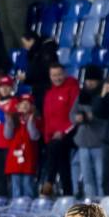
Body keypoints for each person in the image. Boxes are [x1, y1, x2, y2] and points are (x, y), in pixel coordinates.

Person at [41, 63, 80, 197]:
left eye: (59, 74)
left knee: (57, 148)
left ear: (64, 74)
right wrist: (47, 137)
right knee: (62, 161)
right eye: (54, 75)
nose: (57, 78)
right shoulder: (49, 94)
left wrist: (63, 132)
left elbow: (74, 114)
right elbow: (47, 118)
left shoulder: (72, 89)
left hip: (70, 132)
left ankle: (49, 181)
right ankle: (67, 194)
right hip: (54, 138)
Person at [71, 66, 106, 198]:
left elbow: (105, 116)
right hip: (83, 142)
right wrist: (77, 118)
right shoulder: (82, 95)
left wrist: (92, 116)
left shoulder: (103, 95)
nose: (89, 83)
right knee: (87, 178)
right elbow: (72, 114)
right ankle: (91, 205)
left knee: (100, 176)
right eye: (88, 80)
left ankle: (103, 205)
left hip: (99, 142)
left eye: (93, 80)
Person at [4, 94, 41, 198]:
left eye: (27, 103)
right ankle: (16, 205)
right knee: (15, 183)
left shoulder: (36, 119)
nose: (24, 106)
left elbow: (35, 136)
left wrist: (30, 121)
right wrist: (8, 121)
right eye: (22, 103)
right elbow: (7, 135)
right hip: (14, 157)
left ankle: (28, 204)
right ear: (17, 106)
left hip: (29, 156)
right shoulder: (14, 119)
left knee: (27, 183)